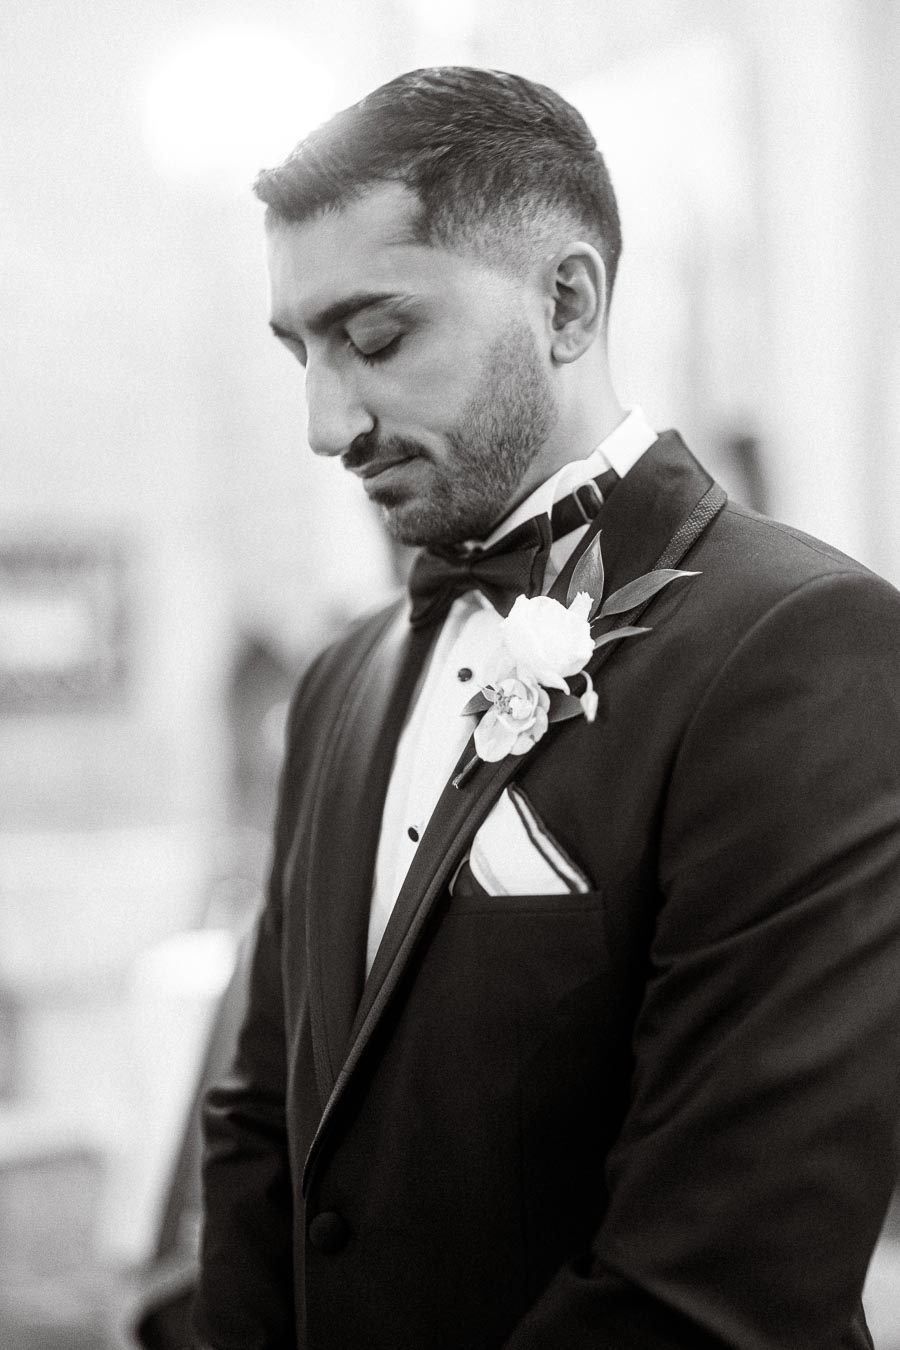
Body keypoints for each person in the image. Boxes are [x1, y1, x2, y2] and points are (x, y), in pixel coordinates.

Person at [193, 67, 900, 1350]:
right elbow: (258, 1121)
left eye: (378, 336)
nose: (324, 421)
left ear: (566, 302)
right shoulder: (340, 685)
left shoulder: (806, 645)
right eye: (302, 351)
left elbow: (728, 1265)